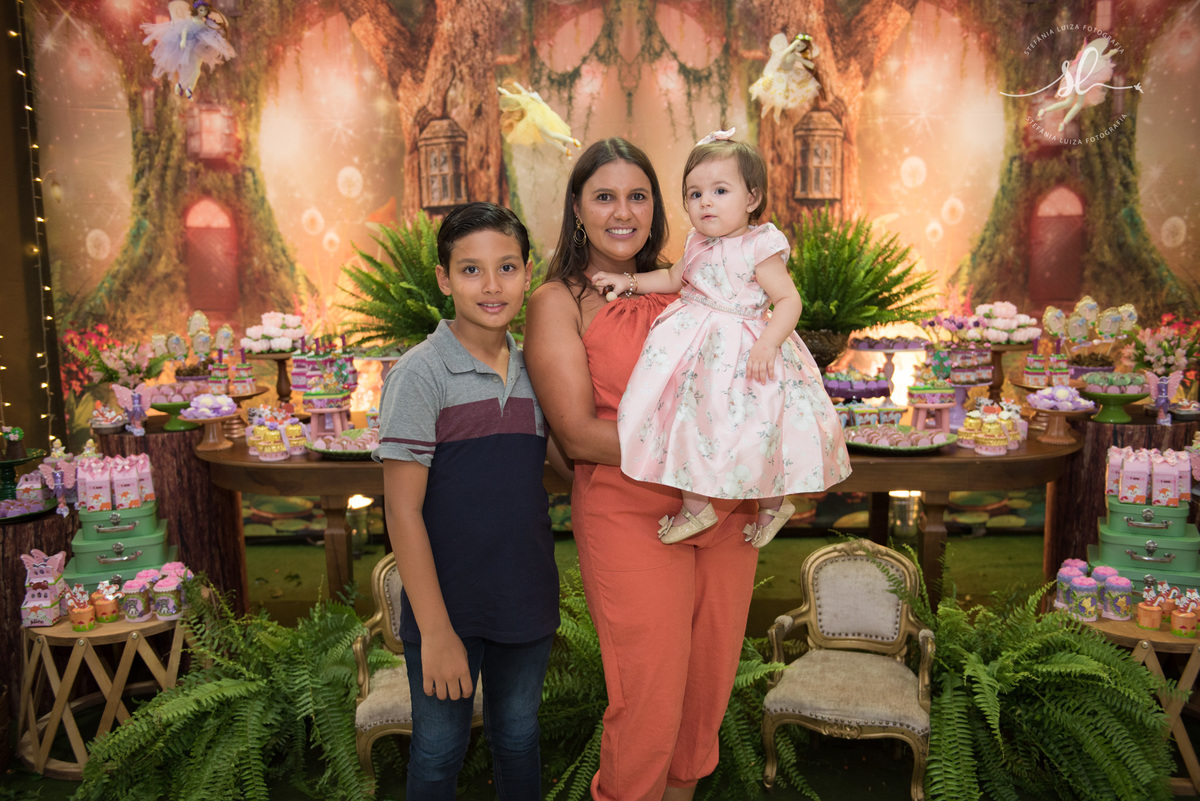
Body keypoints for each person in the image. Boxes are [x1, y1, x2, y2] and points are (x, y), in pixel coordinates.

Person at [523, 137, 757, 801]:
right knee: (648, 699)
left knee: (705, 695)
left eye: (638, 196)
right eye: (604, 197)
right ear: (577, 209)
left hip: (725, 509)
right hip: (630, 512)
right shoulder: (557, 301)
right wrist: (705, 450)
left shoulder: (692, 283)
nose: (622, 212)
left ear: (658, 207)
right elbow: (577, 433)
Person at [373, 201, 560, 800]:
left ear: (527, 274)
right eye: (471, 270)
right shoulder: (420, 374)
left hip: (525, 595)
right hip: (445, 605)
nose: (492, 285)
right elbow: (401, 511)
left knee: (519, 737)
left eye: (507, 267)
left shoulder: (539, 370)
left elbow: (559, 468)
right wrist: (435, 632)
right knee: (437, 750)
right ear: (444, 278)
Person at [590, 129, 850, 548]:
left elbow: (788, 300)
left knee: (759, 427)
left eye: (720, 191)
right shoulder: (697, 242)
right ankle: (697, 507)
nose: (705, 202)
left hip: (745, 354)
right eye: (694, 194)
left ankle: (773, 505)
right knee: (687, 421)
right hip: (699, 354)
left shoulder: (758, 246)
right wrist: (630, 282)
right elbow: (673, 278)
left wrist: (768, 343)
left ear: (751, 198)